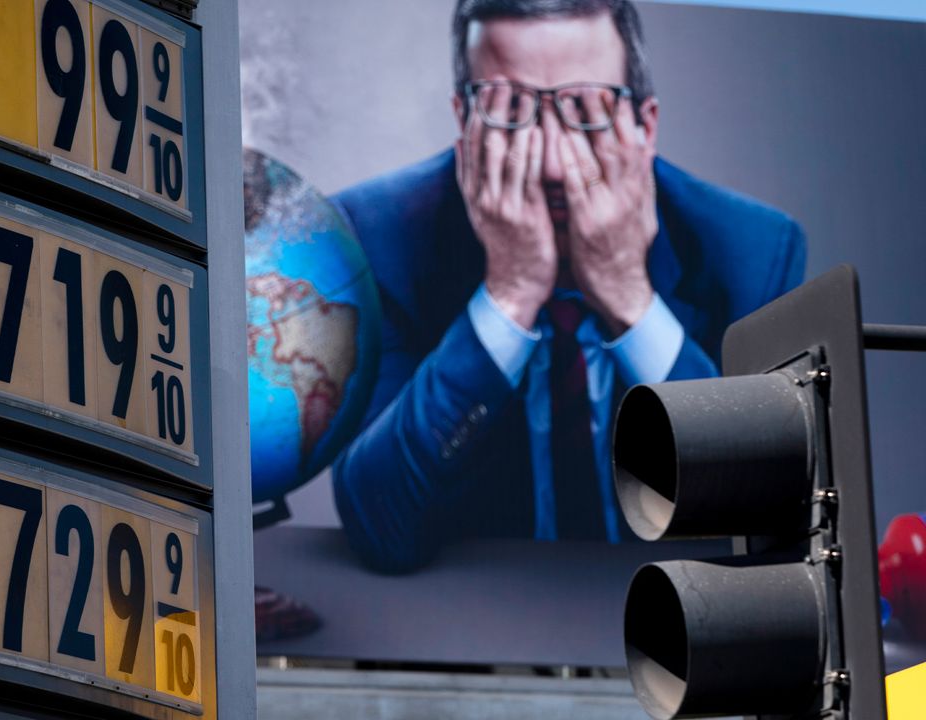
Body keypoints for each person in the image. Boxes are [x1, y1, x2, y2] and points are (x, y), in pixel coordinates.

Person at [330, 0, 806, 573]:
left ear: (645, 125)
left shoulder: (752, 250)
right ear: (465, 121)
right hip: (477, 632)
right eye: (511, 111)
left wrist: (631, 299)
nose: (553, 165)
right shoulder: (378, 238)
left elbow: (769, 518)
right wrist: (507, 295)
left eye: (588, 110)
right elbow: (381, 527)